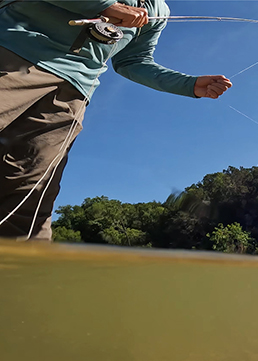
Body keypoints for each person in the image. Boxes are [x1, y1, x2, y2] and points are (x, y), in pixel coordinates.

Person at [0, 0, 232, 240]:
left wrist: (189, 85)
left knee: (30, 196)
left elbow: (133, 62)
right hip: (12, 53)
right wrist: (103, 5)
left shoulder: (159, 11)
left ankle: (21, 272)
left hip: (71, 94)